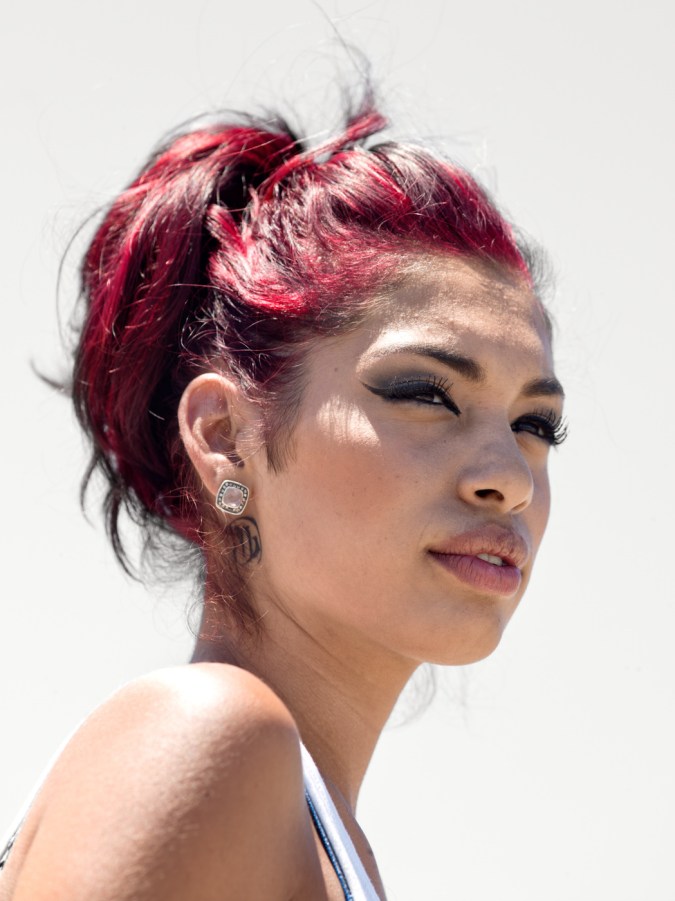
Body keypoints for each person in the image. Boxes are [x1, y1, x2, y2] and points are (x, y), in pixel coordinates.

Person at [0, 97, 566, 900]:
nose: (508, 474)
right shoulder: (208, 735)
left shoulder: (317, 832)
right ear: (226, 435)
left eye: (536, 422)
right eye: (427, 394)